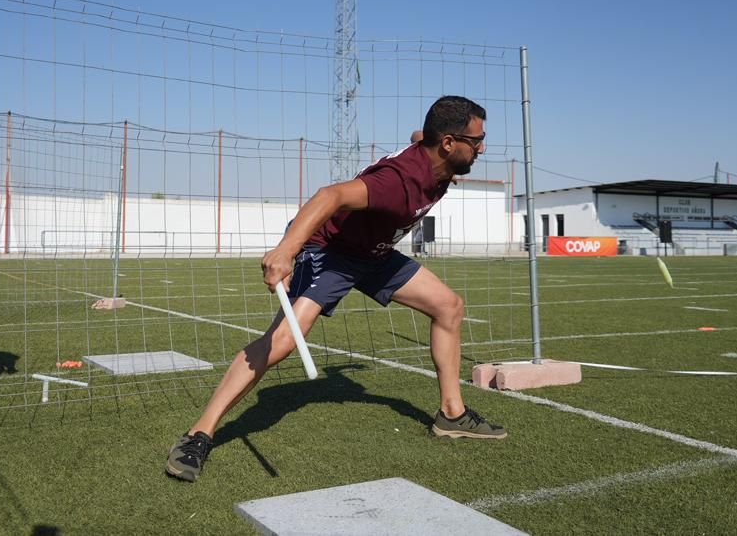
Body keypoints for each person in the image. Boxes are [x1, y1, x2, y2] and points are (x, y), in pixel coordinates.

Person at [166, 95, 505, 482]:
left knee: (449, 307)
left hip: (373, 254)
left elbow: (418, 136)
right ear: (447, 142)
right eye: (476, 141)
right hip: (330, 251)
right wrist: (286, 251)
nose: (481, 148)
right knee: (281, 341)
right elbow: (330, 195)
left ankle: (452, 413)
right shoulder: (396, 183)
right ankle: (198, 434)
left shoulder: (438, 158)